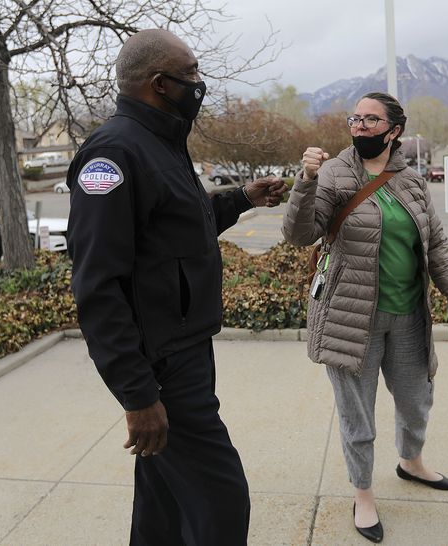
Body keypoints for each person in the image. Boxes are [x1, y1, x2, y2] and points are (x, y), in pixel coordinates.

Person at [66, 29, 286, 546]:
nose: (199, 83)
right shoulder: (114, 154)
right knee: (221, 499)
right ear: (159, 84)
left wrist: (242, 198)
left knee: (162, 505)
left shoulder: (161, 142)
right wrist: (138, 396)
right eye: (190, 74)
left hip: (186, 348)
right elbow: (98, 285)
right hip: (162, 366)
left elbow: (179, 230)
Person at [282, 92, 448, 543]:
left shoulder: (410, 181)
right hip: (352, 318)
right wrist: (305, 180)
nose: (361, 125)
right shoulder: (333, 173)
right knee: (357, 417)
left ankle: (411, 462)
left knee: (415, 400)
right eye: (356, 118)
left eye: (371, 119)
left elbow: (437, 247)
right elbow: (299, 234)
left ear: (394, 130)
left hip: (408, 316)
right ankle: (363, 494)